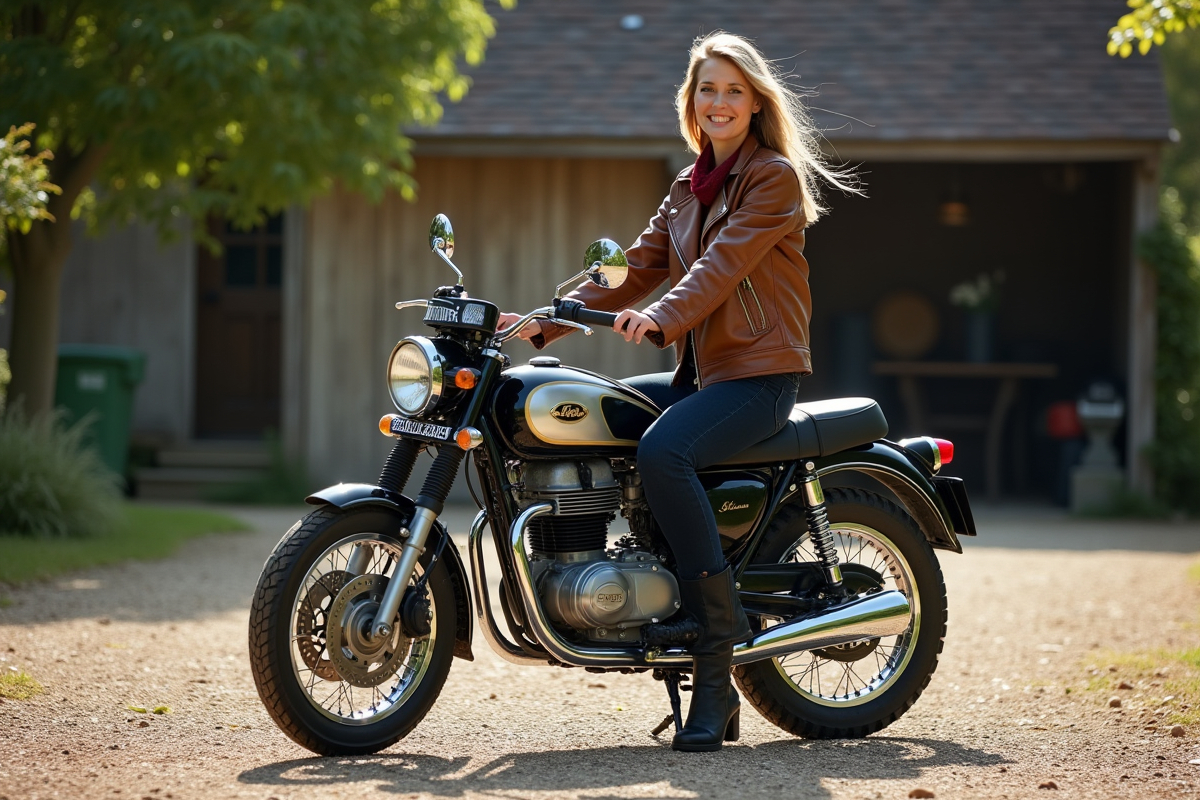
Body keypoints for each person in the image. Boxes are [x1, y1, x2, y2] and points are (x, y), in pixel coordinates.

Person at [499, 31, 859, 752]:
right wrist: (538, 324)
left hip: (760, 376)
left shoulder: (772, 179)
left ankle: (716, 664)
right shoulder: (686, 189)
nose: (719, 102)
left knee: (664, 451)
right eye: (707, 90)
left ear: (755, 103)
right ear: (690, 104)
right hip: (705, 375)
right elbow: (630, 272)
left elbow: (719, 270)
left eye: (733, 90)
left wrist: (662, 316)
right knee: (605, 411)